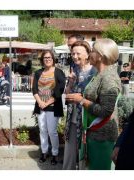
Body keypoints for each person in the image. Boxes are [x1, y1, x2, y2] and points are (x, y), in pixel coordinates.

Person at [66, 38, 121, 170]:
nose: (90, 54)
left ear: (101, 56)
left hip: (102, 136)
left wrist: (81, 100)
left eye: (93, 51)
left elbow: (105, 111)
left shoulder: (108, 78)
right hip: (94, 134)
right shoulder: (101, 74)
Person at [63, 41, 97, 170]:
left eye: (78, 53)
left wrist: (81, 98)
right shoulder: (75, 70)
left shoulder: (94, 72)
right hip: (72, 118)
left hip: (87, 120)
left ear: (88, 54)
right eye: (73, 53)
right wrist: (70, 82)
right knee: (69, 152)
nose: (75, 56)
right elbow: (67, 94)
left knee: (85, 153)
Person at [32, 50, 66, 165]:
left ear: (53, 59)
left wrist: (46, 103)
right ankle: (44, 152)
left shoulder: (59, 72)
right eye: (45, 58)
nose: (47, 59)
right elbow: (34, 90)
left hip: (52, 107)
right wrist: (40, 102)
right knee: (42, 130)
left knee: (52, 132)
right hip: (40, 106)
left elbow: (59, 91)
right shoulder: (38, 73)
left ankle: (55, 154)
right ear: (42, 60)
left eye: (49, 58)